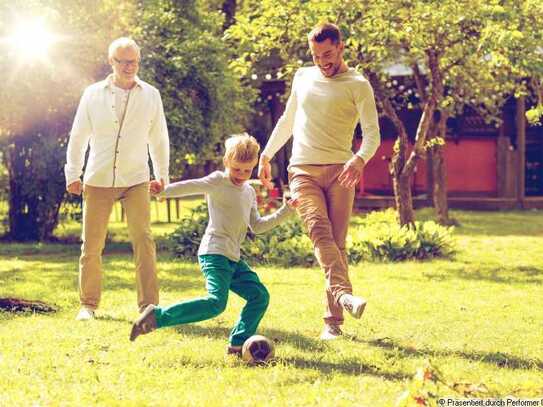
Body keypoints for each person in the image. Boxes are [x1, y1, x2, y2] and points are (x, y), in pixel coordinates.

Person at [258, 23, 381, 340]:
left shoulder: (357, 85)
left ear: (341, 47)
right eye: (315, 56)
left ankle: (333, 323)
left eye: (327, 54)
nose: (322, 61)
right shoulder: (303, 76)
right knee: (319, 233)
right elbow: (288, 120)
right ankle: (343, 296)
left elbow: (372, 135)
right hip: (302, 170)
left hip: (341, 172)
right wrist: (267, 155)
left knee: (337, 246)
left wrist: (358, 159)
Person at [129, 134, 296, 356]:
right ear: (227, 161)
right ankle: (156, 316)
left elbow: (257, 226)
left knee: (259, 296)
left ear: (254, 166)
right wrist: (163, 190)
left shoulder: (248, 191)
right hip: (214, 253)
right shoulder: (218, 181)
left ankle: (238, 344)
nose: (241, 176)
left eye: (247, 171)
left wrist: (287, 210)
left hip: (233, 259)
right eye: (236, 169)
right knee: (216, 303)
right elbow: (191, 186)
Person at [65, 37, 170, 320]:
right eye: (123, 61)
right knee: (92, 244)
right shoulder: (92, 94)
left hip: (136, 177)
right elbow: (78, 136)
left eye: (133, 61)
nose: (129, 66)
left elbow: (158, 138)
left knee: (144, 239)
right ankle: (88, 305)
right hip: (97, 178)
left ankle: (149, 305)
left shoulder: (151, 95)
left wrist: (162, 175)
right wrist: (73, 173)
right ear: (112, 62)